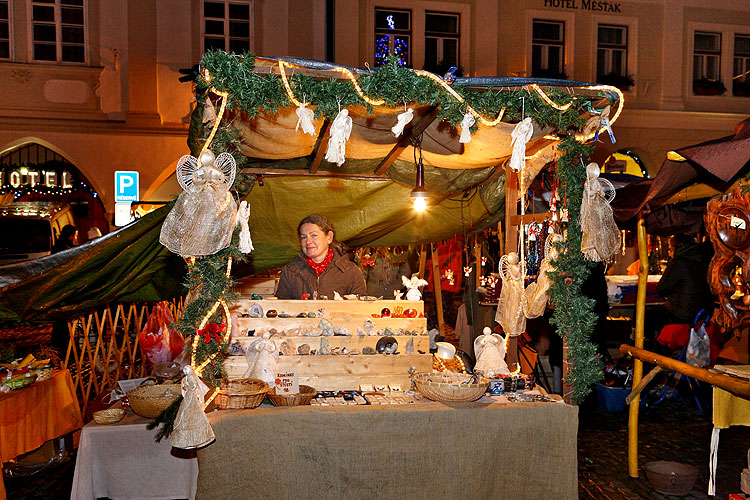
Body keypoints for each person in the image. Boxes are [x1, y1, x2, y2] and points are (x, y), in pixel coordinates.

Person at [275, 214, 366, 299]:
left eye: (314, 235)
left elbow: (359, 310)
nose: (308, 242)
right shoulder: (290, 271)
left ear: (329, 237)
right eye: (303, 237)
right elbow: (281, 309)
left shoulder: (350, 272)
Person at [656, 234, 713, 325]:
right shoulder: (706, 259)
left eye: (670, 249)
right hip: (704, 312)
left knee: (649, 316)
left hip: (680, 313)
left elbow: (662, 288)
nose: (670, 254)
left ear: (678, 247)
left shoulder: (678, 262)